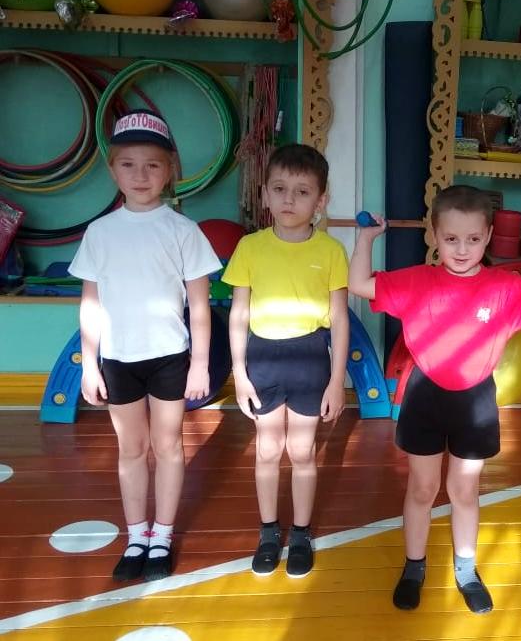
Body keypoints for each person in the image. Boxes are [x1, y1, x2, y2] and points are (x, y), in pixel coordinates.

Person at [349, 184, 521, 614]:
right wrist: (366, 239)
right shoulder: (417, 281)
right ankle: (414, 567)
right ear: (434, 235)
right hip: (425, 396)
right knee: (422, 488)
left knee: (464, 490)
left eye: (473, 238)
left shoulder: (503, 287)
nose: (462, 249)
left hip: (474, 402)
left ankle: (466, 570)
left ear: (488, 235)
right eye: (451, 238)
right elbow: (359, 283)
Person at [70, 110, 220, 582]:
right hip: (118, 360)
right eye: (129, 164)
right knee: (131, 448)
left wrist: (200, 365)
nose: (141, 175)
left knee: (168, 445)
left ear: (170, 170)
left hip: (169, 358)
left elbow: (200, 306)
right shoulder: (100, 233)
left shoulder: (183, 231)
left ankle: (162, 536)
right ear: (113, 170)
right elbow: (90, 304)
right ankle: (136, 535)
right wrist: (89, 365)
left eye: (153, 165)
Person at [223, 144, 349, 578]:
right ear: (264, 194)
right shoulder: (250, 248)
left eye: (302, 191)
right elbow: (238, 314)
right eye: (279, 189)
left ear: (321, 200)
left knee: (302, 450)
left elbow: (339, 319)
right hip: (263, 357)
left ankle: (300, 534)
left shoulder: (331, 251)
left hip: (310, 358)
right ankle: (268, 532)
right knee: (268, 448)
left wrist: (337, 380)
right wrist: (239, 373)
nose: (289, 200)